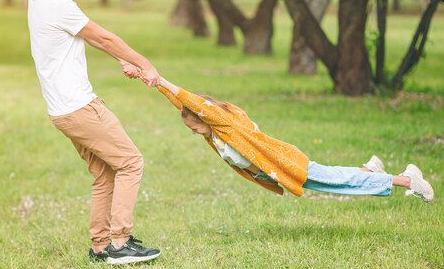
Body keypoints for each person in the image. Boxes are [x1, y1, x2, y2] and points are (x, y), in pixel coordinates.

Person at [27, 0, 161, 264]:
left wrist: (119, 60)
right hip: (80, 107)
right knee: (130, 162)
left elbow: (82, 40)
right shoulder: (59, 4)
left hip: (62, 111)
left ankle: (101, 246)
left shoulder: (38, 0)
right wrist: (144, 63)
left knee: (105, 174)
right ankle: (120, 243)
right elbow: (103, 37)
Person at [152, 76, 434, 201]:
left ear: (206, 117)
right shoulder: (213, 134)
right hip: (278, 169)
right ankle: (370, 172)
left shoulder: (224, 124)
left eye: (195, 127)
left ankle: (408, 180)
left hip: (285, 161)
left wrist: (163, 80)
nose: (193, 131)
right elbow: (186, 106)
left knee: (335, 183)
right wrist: (151, 82)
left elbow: (194, 104)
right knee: (333, 180)